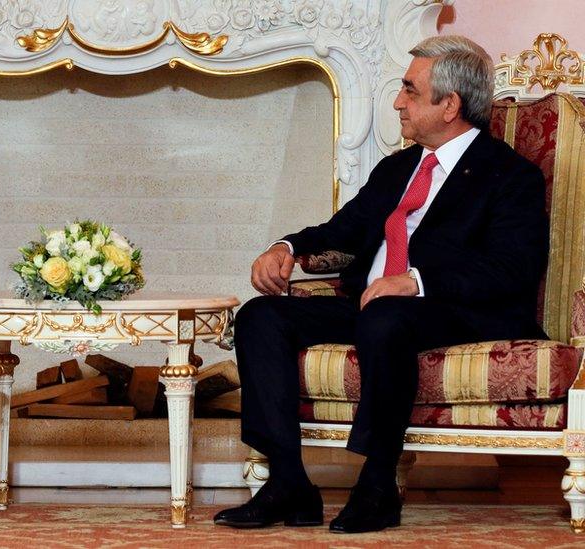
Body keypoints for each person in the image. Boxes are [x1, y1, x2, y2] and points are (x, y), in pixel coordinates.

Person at [214, 35, 548, 533]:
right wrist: (285, 246)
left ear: (450, 104)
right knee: (261, 315)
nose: (398, 101)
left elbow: (512, 268)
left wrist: (415, 281)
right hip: (373, 308)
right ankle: (287, 482)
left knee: (386, 318)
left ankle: (376, 485)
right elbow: (342, 230)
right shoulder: (398, 168)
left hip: (453, 311)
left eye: (410, 91)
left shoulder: (509, 175)